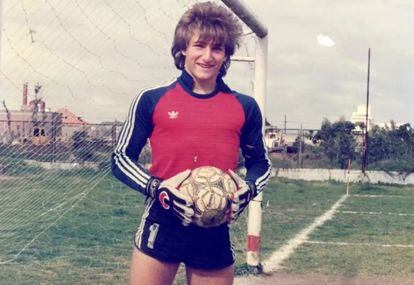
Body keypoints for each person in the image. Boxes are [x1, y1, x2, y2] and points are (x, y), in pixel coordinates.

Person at [111, 2, 272, 284]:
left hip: (214, 230)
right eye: (200, 45)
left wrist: (250, 188)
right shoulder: (152, 99)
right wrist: (158, 189)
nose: (207, 56)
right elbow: (121, 158)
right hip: (162, 223)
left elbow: (261, 163)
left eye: (217, 48)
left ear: (226, 54)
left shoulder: (244, 106)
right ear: (183, 47)